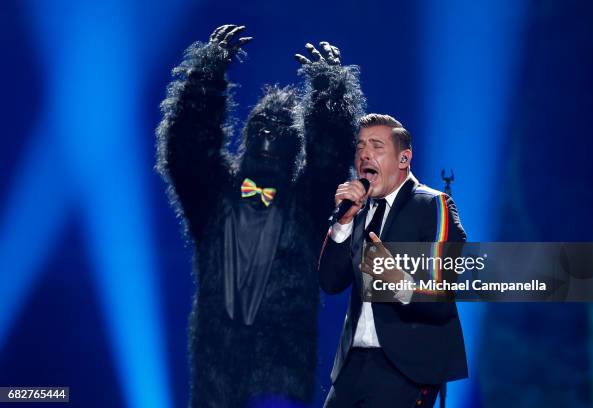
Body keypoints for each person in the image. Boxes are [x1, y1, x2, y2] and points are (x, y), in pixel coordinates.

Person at [156, 24, 365, 408]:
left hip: (278, 375)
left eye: (280, 130)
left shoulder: (306, 205)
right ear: (248, 137)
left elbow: (331, 157)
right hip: (217, 375)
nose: (270, 134)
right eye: (262, 127)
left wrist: (330, 91)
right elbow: (187, 150)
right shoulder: (214, 199)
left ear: (293, 148)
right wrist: (206, 78)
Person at [318, 114, 468, 408]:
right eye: (360, 147)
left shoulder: (432, 205)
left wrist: (398, 282)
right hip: (352, 365)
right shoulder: (359, 211)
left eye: (376, 146)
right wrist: (343, 223)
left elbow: (444, 295)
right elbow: (330, 282)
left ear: (403, 159)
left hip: (406, 367)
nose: (364, 155)